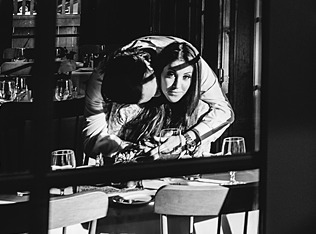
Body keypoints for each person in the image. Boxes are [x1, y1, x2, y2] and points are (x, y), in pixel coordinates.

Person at [82, 35, 232, 161]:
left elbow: (225, 112)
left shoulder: (187, 60)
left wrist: (186, 138)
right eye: (154, 96)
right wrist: (133, 150)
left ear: (155, 69)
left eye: (156, 90)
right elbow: (92, 139)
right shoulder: (100, 83)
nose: (176, 88)